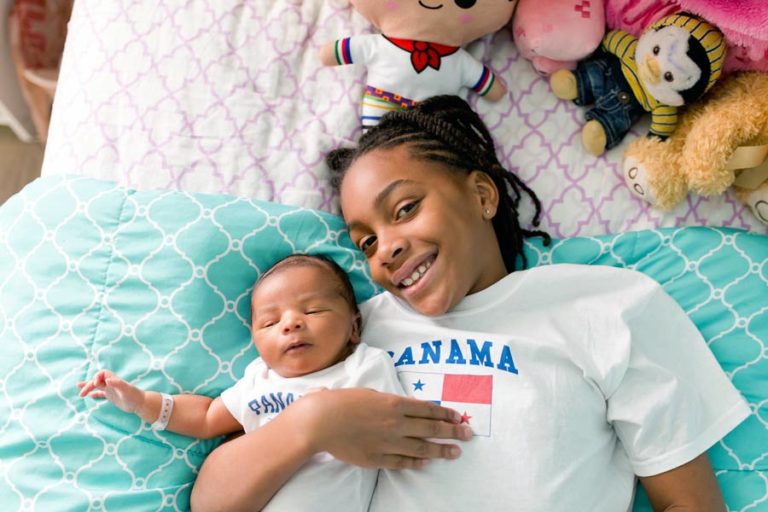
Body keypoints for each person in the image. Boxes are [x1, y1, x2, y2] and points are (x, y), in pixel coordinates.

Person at [190, 96, 750, 512]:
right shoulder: (351, 337)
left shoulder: (608, 307)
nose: (386, 247)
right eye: (365, 242)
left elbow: (690, 503)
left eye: (405, 208)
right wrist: (312, 422)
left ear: (482, 195)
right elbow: (212, 502)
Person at [78, 254, 406, 511]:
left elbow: (390, 430)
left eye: (313, 310)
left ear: (353, 327)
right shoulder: (259, 379)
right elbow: (206, 417)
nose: (290, 323)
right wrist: (140, 402)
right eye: (270, 321)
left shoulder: (362, 367)